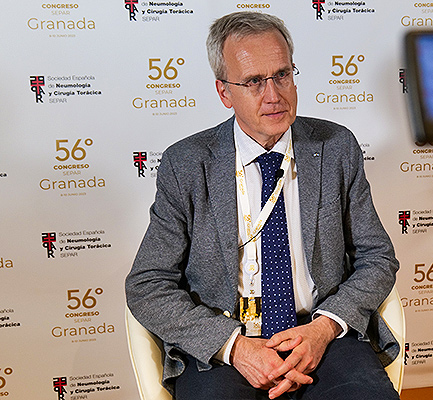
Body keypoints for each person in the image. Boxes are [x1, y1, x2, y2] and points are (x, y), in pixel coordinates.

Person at [125, 11, 400, 400]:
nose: (274, 95)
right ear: (224, 92)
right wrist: (234, 347)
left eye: (282, 75)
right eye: (254, 81)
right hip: (226, 346)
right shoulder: (186, 164)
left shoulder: (335, 147)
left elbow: (378, 258)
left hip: (320, 335)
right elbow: (147, 283)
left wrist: (324, 328)